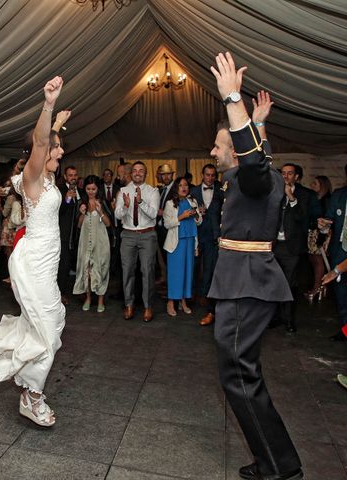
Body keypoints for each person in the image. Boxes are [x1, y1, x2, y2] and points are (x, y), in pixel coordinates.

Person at [209, 52, 302, 480]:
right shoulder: (258, 179)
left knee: (241, 379)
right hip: (245, 282)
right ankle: (273, 461)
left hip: (247, 284)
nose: (213, 151)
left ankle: (280, 469)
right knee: (242, 377)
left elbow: (254, 162)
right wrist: (260, 124)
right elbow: (258, 158)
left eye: (220, 144)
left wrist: (234, 100)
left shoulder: (255, 177)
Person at [0, 76, 67, 427]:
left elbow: (45, 141)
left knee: (52, 323)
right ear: (40, 152)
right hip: (33, 260)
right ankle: (32, 397)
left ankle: (30, 388)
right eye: (56, 148)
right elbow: (41, 141)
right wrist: (48, 106)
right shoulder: (32, 177)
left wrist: (58, 124)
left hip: (46, 259)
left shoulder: (44, 178)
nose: (60, 152)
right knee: (48, 329)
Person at [115, 161, 160, 322]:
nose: (137, 173)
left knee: (147, 271)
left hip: (147, 235)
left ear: (145, 173)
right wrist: (126, 206)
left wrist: (140, 202)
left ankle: (148, 307)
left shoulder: (152, 191)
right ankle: (129, 305)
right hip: (128, 235)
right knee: (127, 271)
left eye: (141, 171)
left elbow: (154, 214)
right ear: (131, 174)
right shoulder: (123, 191)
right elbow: (118, 215)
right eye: (134, 171)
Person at [272, 163, 312, 333]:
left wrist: (292, 199)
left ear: (297, 177)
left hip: (291, 248)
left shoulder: (304, 194)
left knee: (289, 284)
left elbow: (303, 218)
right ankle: (274, 318)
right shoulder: (274, 193)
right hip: (274, 245)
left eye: (290, 174)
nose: (286, 176)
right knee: (273, 283)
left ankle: (288, 319)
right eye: (283, 173)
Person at [163, 177, 202, 316]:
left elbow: (198, 222)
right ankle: (171, 302)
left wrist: (197, 214)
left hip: (190, 241)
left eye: (186, 185)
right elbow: (167, 224)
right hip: (176, 243)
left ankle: (183, 301)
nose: (184, 188)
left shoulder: (193, 201)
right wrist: (181, 216)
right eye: (180, 185)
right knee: (176, 274)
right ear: (176, 188)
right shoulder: (170, 203)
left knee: (187, 272)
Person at [190, 164, 223, 326]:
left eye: (212, 175)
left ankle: (206, 295)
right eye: (207, 175)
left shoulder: (221, 192)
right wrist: (197, 213)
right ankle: (192, 295)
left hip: (213, 236)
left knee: (210, 267)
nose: (210, 178)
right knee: (194, 265)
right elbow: (189, 213)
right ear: (202, 175)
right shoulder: (194, 191)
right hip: (196, 234)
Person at [73, 175, 111, 312]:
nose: (91, 191)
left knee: (101, 270)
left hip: (100, 242)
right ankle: (88, 298)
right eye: (88, 189)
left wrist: (100, 212)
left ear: (97, 189)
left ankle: (101, 300)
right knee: (87, 271)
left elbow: (108, 223)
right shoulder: (81, 203)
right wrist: (82, 213)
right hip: (85, 241)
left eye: (93, 189)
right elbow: (78, 225)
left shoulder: (102, 202)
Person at [318, 164, 347, 342]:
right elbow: (328, 222)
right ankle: (345, 330)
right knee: (342, 297)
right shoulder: (339, 195)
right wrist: (323, 226)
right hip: (340, 252)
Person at [305, 175, 332, 300]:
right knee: (313, 259)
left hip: (321, 233)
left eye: (315, 184)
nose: (312, 185)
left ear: (322, 185)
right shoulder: (315, 199)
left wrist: (321, 235)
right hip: (313, 232)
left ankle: (318, 288)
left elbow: (327, 220)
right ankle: (319, 287)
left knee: (318, 260)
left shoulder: (327, 201)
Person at [58, 164, 81, 304]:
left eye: (75, 175)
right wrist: (66, 199)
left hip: (78, 235)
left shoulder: (82, 191)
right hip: (64, 235)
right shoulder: (59, 190)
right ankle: (60, 293)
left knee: (77, 264)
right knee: (63, 266)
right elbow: (57, 212)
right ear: (66, 177)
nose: (73, 178)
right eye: (70, 175)